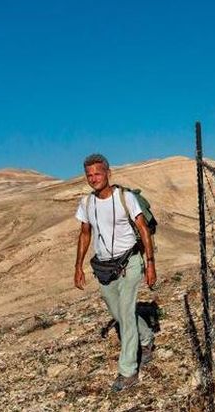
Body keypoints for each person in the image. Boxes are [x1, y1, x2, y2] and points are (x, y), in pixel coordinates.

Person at [73, 153, 157, 392]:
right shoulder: (86, 204)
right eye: (89, 175)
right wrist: (78, 266)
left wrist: (150, 263)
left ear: (108, 174)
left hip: (130, 263)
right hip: (105, 268)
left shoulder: (125, 198)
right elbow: (85, 234)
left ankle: (128, 371)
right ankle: (147, 338)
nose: (93, 178)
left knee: (126, 314)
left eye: (98, 173)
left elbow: (143, 229)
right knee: (119, 314)